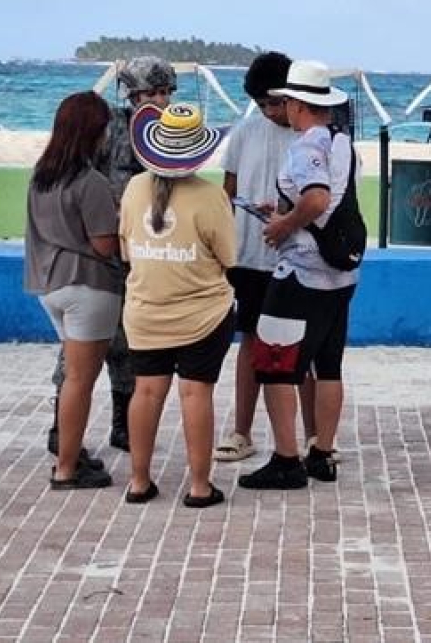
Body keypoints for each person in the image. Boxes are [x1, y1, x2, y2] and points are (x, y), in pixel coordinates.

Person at [45, 56, 174, 468]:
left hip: (145, 254)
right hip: (99, 253)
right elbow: (80, 184)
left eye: (166, 92)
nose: (160, 100)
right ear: (131, 95)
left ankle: (123, 423)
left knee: (131, 345)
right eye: (151, 93)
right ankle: (60, 431)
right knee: (80, 353)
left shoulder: (169, 134)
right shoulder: (110, 128)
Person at [239, 60, 361, 490]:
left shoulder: (304, 146)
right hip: (339, 274)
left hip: (302, 272)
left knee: (274, 366)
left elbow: (316, 198)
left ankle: (286, 458)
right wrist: (289, 212)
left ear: (295, 104)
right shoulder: (342, 142)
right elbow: (331, 202)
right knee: (328, 365)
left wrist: (283, 226)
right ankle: (323, 453)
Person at [120, 101, 237, 508]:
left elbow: (126, 246)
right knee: (195, 394)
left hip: (145, 310)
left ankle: (139, 480)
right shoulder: (210, 197)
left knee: (146, 391)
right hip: (202, 314)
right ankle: (200, 486)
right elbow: (229, 255)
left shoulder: (135, 189)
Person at [24, 92, 122, 490]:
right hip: (89, 285)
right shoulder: (90, 183)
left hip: (50, 283)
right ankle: (66, 466)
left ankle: (69, 451)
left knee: (72, 377)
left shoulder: (40, 176)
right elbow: (104, 245)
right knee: (81, 379)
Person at [214, 51, 298, 463]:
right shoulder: (245, 132)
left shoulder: (309, 137)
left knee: (298, 349)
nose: (268, 112)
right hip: (248, 254)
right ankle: (241, 430)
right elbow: (227, 191)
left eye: (275, 103)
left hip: (294, 257)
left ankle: (311, 436)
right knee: (249, 342)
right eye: (262, 104)